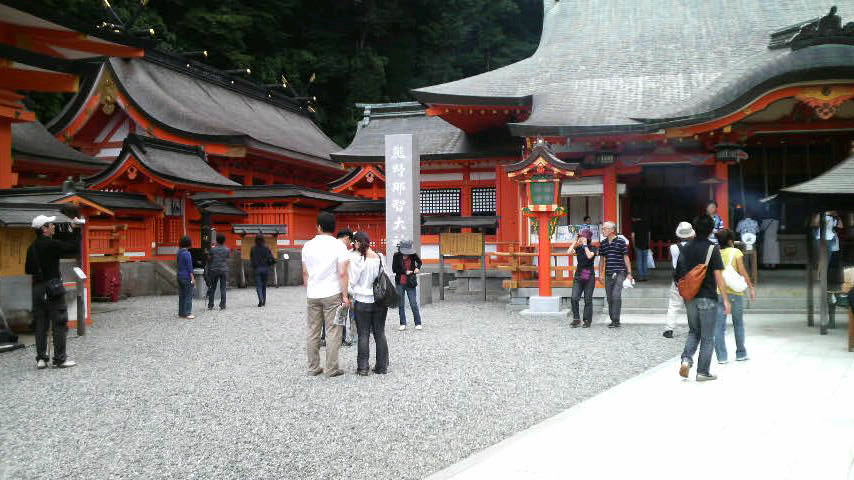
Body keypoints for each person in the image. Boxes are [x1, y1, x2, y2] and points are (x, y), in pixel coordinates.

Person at [675, 214, 731, 382]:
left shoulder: (685, 248)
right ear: (710, 230)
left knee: (694, 331)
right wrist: (726, 299)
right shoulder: (712, 249)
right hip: (707, 296)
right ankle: (702, 371)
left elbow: (677, 274)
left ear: (695, 229)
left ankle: (686, 360)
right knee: (707, 336)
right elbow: (718, 276)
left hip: (690, 297)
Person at [24, 214, 82, 369]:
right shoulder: (51, 244)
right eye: (51, 224)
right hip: (53, 287)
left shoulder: (31, 247)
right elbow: (73, 248)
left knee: (40, 324)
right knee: (59, 322)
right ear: (44, 228)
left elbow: (28, 269)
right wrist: (75, 230)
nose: (54, 226)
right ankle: (59, 359)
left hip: (37, 288)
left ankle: (41, 359)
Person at [302, 212, 350, 377]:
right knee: (333, 331)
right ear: (334, 228)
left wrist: (309, 289)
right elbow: (342, 273)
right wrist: (345, 296)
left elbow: (305, 273)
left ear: (319, 227)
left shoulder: (308, 246)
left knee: (313, 331)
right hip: (332, 292)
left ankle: (313, 367)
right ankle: (331, 368)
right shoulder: (339, 246)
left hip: (313, 293)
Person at [349, 231, 389, 375]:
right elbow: (385, 275)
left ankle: (363, 367)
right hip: (379, 301)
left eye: (354, 242)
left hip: (362, 300)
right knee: (380, 333)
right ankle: (381, 366)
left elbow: (352, 281)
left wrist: (349, 294)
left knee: (363, 334)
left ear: (357, 242)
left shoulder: (357, 258)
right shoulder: (380, 257)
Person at [714, 228, 756, 364]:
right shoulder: (736, 252)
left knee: (719, 326)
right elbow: (742, 271)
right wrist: (751, 287)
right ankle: (741, 353)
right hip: (736, 293)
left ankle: (722, 357)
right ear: (730, 241)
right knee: (738, 324)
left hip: (720, 292)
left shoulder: (716, 253)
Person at [598, 221, 633, 328]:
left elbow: (626, 257)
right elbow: (602, 260)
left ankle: (616, 320)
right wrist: (600, 274)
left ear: (612, 230)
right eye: (603, 228)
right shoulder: (603, 243)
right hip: (608, 273)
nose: (603, 230)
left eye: (605, 228)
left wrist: (629, 273)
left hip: (620, 272)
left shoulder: (621, 242)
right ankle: (613, 319)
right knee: (609, 297)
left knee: (616, 295)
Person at [663, 222, 695, 339]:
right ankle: (694, 328)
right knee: (691, 305)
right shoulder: (696, 247)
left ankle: (669, 329)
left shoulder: (673, 247)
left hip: (678, 280)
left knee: (673, 305)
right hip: (692, 279)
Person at [392, 239, 423, 331]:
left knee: (413, 303)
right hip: (400, 282)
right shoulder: (396, 255)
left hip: (410, 282)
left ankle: (418, 323)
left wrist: (417, 268)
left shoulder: (413, 255)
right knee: (401, 304)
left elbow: (419, 262)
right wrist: (405, 271)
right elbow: (394, 269)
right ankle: (402, 323)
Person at [570, 228, 597, 328]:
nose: (581, 238)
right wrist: (575, 241)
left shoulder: (593, 248)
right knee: (574, 298)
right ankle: (576, 319)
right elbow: (569, 251)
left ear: (587, 238)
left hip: (588, 275)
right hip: (579, 274)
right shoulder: (578, 248)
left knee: (587, 299)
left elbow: (589, 256)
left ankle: (587, 320)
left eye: (582, 236)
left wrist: (585, 245)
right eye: (580, 236)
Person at [336, 229, 356, 346]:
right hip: (345, 286)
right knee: (343, 313)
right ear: (348, 238)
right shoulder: (343, 250)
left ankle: (340, 338)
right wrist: (345, 294)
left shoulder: (332, 247)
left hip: (335, 287)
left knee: (339, 313)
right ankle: (344, 338)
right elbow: (343, 273)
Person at [207, 233, 230, 310]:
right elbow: (227, 257)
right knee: (223, 288)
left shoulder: (213, 249)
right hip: (223, 270)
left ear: (217, 240)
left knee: (212, 287)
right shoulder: (227, 249)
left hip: (214, 269)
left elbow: (209, 258)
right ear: (224, 241)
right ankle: (223, 304)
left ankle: (210, 304)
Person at [250, 235, 274, 307]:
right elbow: (271, 257)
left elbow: (251, 258)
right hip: (265, 268)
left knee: (258, 286)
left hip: (257, 269)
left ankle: (260, 299)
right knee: (264, 286)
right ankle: (264, 301)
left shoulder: (253, 248)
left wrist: (253, 266)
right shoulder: (266, 248)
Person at [176, 236, 196, 320]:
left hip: (179, 275)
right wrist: (193, 278)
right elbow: (189, 267)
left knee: (182, 295)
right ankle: (188, 312)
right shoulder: (187, 253)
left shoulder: (179, 252)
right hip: (186, 276)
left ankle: (181, 313)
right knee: (188, 295)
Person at [631, 216, 651, 282]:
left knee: (639, 261)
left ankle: (640, 277)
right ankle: (645, 276)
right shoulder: (646, 224)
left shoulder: (635, 225)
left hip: (638, 245)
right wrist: (648, 243)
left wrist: (633, 244)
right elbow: (649, 234)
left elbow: (633, 235)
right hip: (646, 245)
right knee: (645, 261)